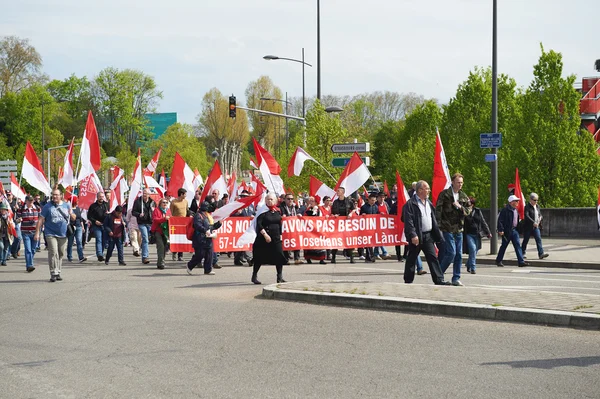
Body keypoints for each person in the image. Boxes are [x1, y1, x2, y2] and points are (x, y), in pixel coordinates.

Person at [402, 180, 450, 285]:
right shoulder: (410, 204)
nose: (428, 191)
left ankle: (439, 279)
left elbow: (433, 218)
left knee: (433, 257)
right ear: (420, 190)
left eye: (428, 188)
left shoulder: (428, 203)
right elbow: (408, 221)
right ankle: (408, 280)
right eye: (426, 188)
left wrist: (438, 233)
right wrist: (413, 235)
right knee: (412, 258)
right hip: (417, 236)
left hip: (428, 236)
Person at [436, 173, 471, 286]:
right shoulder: (445, 194)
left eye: (461, 182)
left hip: (459, 228)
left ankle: (456, 278)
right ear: (452, 182)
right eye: (458, 182)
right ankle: (439, 274)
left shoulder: (463, 196)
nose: (460, 184)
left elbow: (468, 210)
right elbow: (438, 210)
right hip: (447, 227)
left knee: (459, 255)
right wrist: (438, 226)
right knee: (451, 253)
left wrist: (460, 207)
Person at [35, 188, 74, 282]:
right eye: (53, 194)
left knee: (61, 253)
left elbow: (73, 217)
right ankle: (53, 272)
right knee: (53, 252)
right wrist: (37, 233)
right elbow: (40, 219)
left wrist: (72, 214)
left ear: (61, 196)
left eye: (57, 195)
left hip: (63, 233)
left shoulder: (66, 205)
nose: (55, 196)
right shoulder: (47, 206)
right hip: (50, 233)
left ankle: (58, 271)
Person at [251, 193, 289, 284]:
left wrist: (280, 235)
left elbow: (279, 224)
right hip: (264, 238)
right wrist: (265, 235)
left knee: (279, 256)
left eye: (271, 199)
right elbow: (259, 224)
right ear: (265, 201)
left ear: (275, 201)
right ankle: (254, 275)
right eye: (268, 199)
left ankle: (279, 276)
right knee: (259, 257)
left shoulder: (277, 211)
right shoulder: (262, 211)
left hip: (276, 238)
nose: (270, 201)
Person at [186, 201, 221, 275]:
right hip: (199, 238)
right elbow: (197, 225)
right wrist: (205, 231)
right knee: (200, 255)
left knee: (209, 254)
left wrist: (218, 224)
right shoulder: (198, 215)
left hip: (208, 238)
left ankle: (208, 269)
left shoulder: (207, 216)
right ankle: (190, 265)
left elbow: (210, 226)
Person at [496, 195, 530, 267]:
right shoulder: (505, 210)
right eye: (516, 201)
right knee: (504, 246)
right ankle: (498, 260)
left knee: (517, 245)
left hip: (514, 230)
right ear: (511, 202)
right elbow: (500, 221)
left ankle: (521, 261)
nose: (518, 202)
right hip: (507, 231)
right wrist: (501, 229)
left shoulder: (515, 210)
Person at [463, 197, 491, 274]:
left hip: (477, 234)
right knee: (472, 249)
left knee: (476, 250)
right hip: (469, 234)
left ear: (473, 205)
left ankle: (468, 264)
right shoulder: (464, 212)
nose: (468, 206)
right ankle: (473, 267)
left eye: (469, 204)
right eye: (466, 205)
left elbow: (483, 222)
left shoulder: (477, 211)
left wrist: (488, 232)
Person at [330, 187, 356, 264]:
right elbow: (332, 212)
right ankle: (333, 257)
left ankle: (352, 257)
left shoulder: (348, 201)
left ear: (343, 192)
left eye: (338, 191)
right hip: (337, 224)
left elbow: (354, 209)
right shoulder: (335, 202)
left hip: (346, 224)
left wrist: (351, 213)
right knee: (336, 241)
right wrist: (335, 215)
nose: (337, 192)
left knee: (348, 241)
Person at [17, 195, 41, 272]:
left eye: (32, 201)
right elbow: (16, 219)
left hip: (35, 232)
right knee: (28, 249)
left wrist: (41, 228)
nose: (31, 202)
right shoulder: (21, 209)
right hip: (25, 232)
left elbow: (41, 219)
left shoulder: (37, 208)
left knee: (33, 249)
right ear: (26, 201)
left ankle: (29, 261)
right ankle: (29, 265)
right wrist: (19, 219)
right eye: (29, 201)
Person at [522, 192, 549, 260]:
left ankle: (541, 253)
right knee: (526, 240)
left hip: (536, 227)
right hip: (528, 227)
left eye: (537, 200)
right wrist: (533, 222)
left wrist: (540, 218)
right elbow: (526, 215)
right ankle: (522, 252)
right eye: (534, 200)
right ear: (530, 200)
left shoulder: (537, 206)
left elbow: (539, 214)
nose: (536, 201)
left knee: (538, 239)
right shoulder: (527, 207)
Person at [132, 189, 155, 265]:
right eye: (144, 193)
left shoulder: (152, 202)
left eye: (146, 193)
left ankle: (142, 247)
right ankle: (145, 257)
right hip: (142, 223)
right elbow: (133, 212)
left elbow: (156, 211)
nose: (145, 195)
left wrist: (153, 211)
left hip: (150, 223)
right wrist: (139, 214)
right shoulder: (138, 202)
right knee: (145, 238)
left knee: (147, 239)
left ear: (149, 194)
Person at [280, 193, 303, 265]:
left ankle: (297, 258)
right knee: (286, 243)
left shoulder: (295, 207)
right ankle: (286, 259)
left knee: (297, 241)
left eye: (292, 199)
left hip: (294, 228)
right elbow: (279, 215)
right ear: (285, 200)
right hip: (285, 228)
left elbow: (298, 212)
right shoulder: (281, 207)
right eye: (288, 199)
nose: (290, 200)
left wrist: (299, 214)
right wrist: (282, 216)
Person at [232, 190, 254, 266]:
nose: (244, 198)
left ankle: (249, 259)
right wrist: (237, 214)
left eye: (246, 197)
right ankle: (237, 259)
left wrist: (253, 216)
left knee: (246, 242)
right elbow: (231, 216)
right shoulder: (237, 205)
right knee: (239, 244)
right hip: (239, 227)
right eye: (243, 196)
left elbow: (253, 213)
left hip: (248, 228)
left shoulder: (251, 206)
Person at [303, 196, 326, 264]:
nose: (311, 202)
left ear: (316, 202)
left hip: (318, 229)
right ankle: (308, 258)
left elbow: (323, 217)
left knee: (320, 243)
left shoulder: (319, 210)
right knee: (309, 244)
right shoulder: (307, 210)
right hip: (309, 230)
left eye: (312, 201)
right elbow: (304, 218)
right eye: (310, 201)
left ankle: (321, 259)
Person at [88, 191, 109, 261]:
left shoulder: (106, 205)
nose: (101, 198)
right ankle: (99, 254)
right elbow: (89, 216)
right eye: (100, 197)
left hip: (104, 225)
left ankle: (101, 254)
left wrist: (109, 214)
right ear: (97, 197)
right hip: (96, 225)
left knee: (104, 240)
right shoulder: (93, 206)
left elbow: (111, 214)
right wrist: (95, 221)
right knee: (99, 239)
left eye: (102, 197)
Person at [151, 198, 171, 269]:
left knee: (165, 247)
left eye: (166, 202)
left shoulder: (168, 211)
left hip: (165, 232)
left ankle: (161, 261)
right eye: (163, 202)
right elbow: (155, 219)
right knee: (161, 246)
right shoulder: (157, 210)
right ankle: (161, 262)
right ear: (160, 203)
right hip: (158, 231)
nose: (165, 204)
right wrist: (164, 219)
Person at [169, 188, 189, 261]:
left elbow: (187, 211)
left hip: (183, 223)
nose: (186, 195)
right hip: (175, 223)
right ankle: (174, 252)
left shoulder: (186, 202)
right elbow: (171, 212)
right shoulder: (173, 202)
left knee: (182, 239)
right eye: (185, 194)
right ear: (181, 194)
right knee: (175, 238)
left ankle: (180, 255)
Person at [360, 193, 379, 262]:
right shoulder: (364, 207)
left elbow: (378, 215)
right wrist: (362, 215)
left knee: (372, 242)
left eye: (374, 200)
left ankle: (369, 256)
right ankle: (370, 256)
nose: (373, 202)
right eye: (372, 200)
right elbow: (359, 217)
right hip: (366, 227)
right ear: (368, 200)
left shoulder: (376, 207)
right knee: (368, 242)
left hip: (373, 227)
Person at [66, 197, 87, 263]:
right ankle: (69, 256)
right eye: (77, 200)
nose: (78, 202)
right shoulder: (69, 209)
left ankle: (81, 257)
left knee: (79, 241)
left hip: (78, 227)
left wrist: (82, 226)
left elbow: (80, 218)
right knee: (70, 242)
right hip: (71, 227)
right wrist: (69, 213)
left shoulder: (78, 208)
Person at [374, 192, 391, 260]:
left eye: (383, 197)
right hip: (377, 224)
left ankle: (375, 253)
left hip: (384, 224)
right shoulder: (375, 205)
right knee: (379, 238)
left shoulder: (385, 204)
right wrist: (379, 213)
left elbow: (389, 212)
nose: (382, 198)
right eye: (380, 197)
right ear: (377, 198)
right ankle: (384, 252)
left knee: (379, 239)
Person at [0, 202, 12, 266]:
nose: (3, 210)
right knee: (1, 247)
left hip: (7, 234)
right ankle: (1, 259)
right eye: (1, 209)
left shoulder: (9, 217)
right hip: (0, 235)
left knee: (6, 248)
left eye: (4, 209)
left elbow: (13, 224)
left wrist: (18, 220)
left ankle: (4, 261)